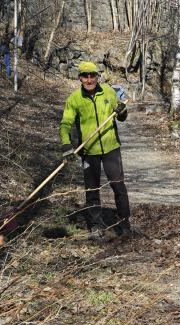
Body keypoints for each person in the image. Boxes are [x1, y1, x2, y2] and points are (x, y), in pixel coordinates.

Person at [59, 61, 132, 240]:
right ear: (80, 78)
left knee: (118, 185)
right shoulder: (74, 99)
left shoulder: (108, 92)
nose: (89, 79)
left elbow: (121, 116)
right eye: (85, 76)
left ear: (97, 76)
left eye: (92, 75)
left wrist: (122, 111)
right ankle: (97, 225)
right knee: (92, 189)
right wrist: (66, 146)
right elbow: (65, 124)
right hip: (88, 151)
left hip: (110, 148)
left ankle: (124, 224)